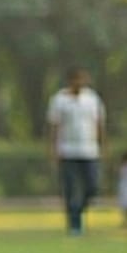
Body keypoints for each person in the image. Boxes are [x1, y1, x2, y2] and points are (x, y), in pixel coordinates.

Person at [46, 68, 106, 235]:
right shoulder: (59, 100)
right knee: (71, 188)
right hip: (68, 150)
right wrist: (53, 148)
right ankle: (74, 224)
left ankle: (78, 210)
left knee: (92, 186)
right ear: (70, 81)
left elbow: (99, 124)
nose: (80, 83)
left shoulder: (92, 99)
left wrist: (102, 146)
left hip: (89, 150)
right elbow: (54, 126)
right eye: (76, 80)